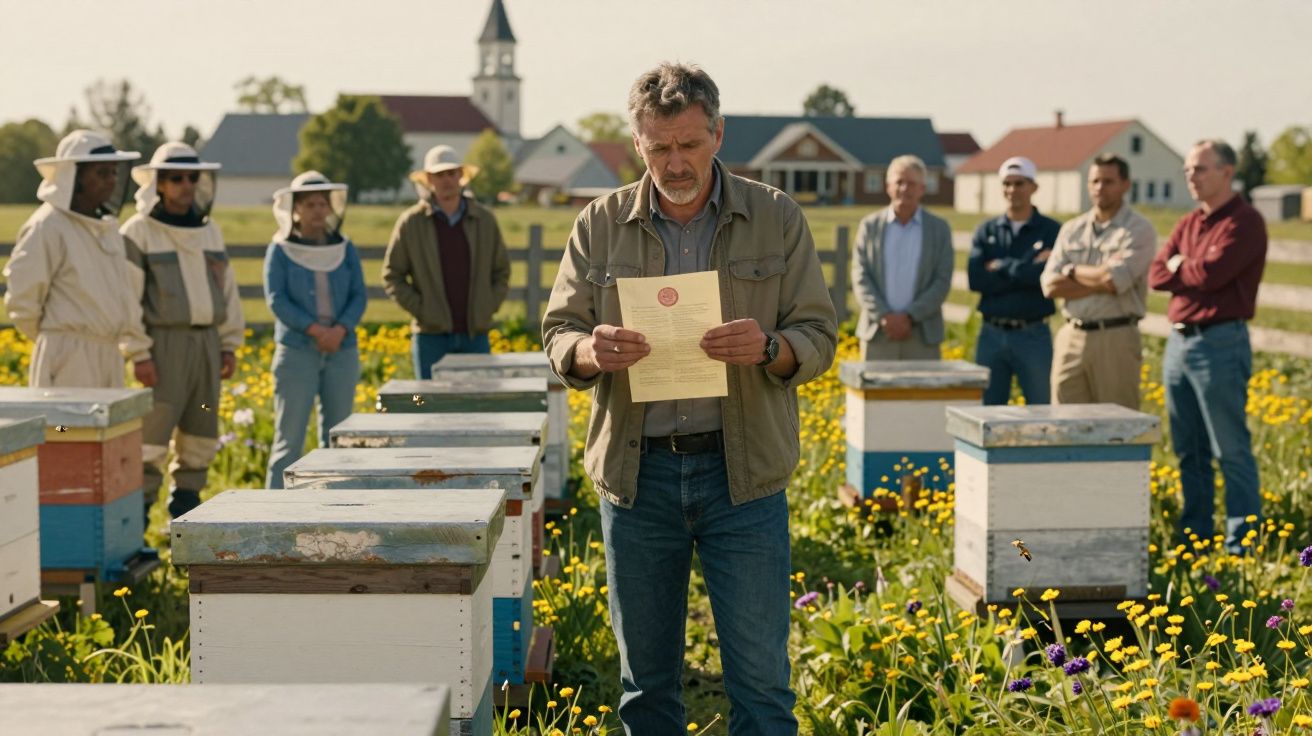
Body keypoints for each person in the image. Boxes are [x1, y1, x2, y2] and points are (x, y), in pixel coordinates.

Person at [542, 62, 837, 736]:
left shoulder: (775, 216)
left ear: (718, 134)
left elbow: (818, 334)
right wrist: (592, 350)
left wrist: (768, 346)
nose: (675, 163)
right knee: (646, 691)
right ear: (636, 144)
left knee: (762, 688)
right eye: (659, 147)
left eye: (690, 145)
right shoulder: (600, 223)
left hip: (746, 477)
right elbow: (559, 333)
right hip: (637, 477)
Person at [1148, 139, 1267, 553]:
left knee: (1229, 447)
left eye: (1199, 169)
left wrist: (1185, 268)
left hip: (1220, 342)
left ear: (1227, 172)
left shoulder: (1245, 222)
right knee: (1188, 448)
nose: (1190, 177)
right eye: (1187, 170)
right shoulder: (1188, 223)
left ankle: (1242, 542)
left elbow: (1214, 275)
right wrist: (1185, 269)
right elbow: (1157, 275)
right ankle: (1195, 535)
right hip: (1179, 344)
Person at [122, 142, 244, 520]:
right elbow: (127, 298)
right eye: (176, 178)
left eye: (193, 177)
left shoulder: (210, 232)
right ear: (158, 183)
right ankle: (136, 532)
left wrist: (228, 345)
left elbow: (228, 291)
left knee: (200, 432)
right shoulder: (138, 232)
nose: (186, 185)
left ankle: (184, 526)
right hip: (162, 346)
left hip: (207, 345)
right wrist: (138, 353)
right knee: (151, 440)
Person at [3, 130, 140, 387]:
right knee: (64, 428)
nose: (111, 181)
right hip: (67, 357)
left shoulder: (107, 228)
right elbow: (23, 301)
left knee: (105, 428)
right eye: (101, 173)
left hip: (109, 354)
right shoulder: (47, 226)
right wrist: (57, 342)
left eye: (113, 172)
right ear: (74, 177)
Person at [263, 172, 366, 488]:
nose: (318, 210)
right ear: (295, 208)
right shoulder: (280, 249)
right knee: (288, 440)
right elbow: (277, 299)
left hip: (342, 350)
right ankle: (272, 517)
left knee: (338, 439)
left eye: (323, 203)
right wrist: (315, 330)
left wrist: (339, 330)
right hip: (296, 351)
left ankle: (334, 509)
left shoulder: (345, 248)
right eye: (311, 204)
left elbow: (359, 295)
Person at [382, 145, 510, 379]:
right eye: (440, 175)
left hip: (476, 334)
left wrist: (487, 306)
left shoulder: (485, 220)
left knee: (480, 406)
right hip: (430, 337)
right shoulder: (411, 222)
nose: (447, 180)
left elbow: (501, 271)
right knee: (429, 406)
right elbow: (392, 275)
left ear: (461, 175)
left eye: (452, 173)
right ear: (429, 179)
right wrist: (423, 311)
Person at [1040, 154, 1157, 408]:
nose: (1099, 188)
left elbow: (1114, 281)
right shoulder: (1072, 229)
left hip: (1115, 336)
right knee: (1064, 424)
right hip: (1071, 335)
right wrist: (1098, 277)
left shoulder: (1139, 229)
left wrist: (1070, 271)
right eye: (1094, 181)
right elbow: (1050, 286)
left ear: (1126, 185)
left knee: (1117, 425)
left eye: (1108, 181)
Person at [966, 156, 1061, 405]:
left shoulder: (1051, 231)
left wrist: (1001, 266)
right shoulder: (986, 231)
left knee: (1042, 409)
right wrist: (1026, 268)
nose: (1012, 190)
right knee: (988, 410)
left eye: (1019, 183)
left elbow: (1045, 279)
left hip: (1033, 334)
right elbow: (976, 279)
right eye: (1007, 184)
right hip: (991, 333)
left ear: (1033, 187)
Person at [851, 154, 954, 360]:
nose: (905, 188)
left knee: (920, 394)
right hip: (878, 335)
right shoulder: (870, 226)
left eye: (912, 183)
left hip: (922, 337)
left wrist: (910, 317)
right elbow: (860, 275)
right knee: (874, 393)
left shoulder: (939, 229)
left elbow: (941, 280)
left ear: (922, 188)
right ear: (888, 186)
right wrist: (885, 316)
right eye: (899, 182)